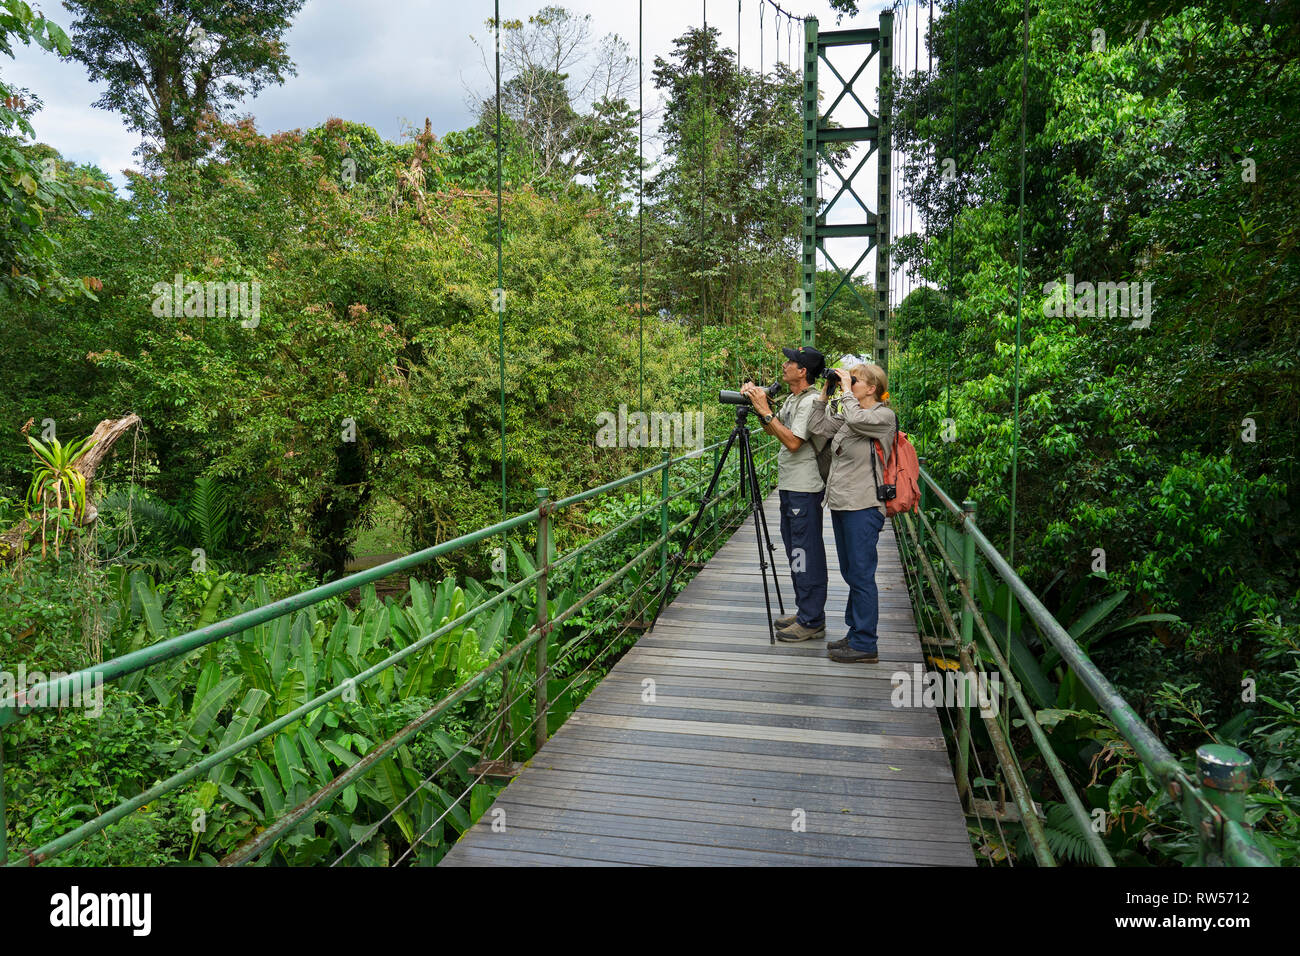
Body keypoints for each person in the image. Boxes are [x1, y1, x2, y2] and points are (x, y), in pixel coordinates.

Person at [806, 357, 897, 663]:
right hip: (843, 503)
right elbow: (816, 427)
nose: (850, 385)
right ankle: (855, 632)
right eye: (849, 381)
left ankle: (865, 643)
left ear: (872, 388)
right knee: (850, 573)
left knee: (861, 574)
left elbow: (858, 421)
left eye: (855, 382)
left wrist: (845, 392)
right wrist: (826, 392)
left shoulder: (883, 416)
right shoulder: (849, 413)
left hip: (865, 505)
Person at [740, 346, 828, 643]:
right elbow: (774, 431)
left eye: (791, 361)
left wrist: (765, 410)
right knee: (795, 552)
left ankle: (812, 619)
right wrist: (758, 406)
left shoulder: (812, 401)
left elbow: (793, 443)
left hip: (804, 488)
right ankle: (806, 611)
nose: (785, 364)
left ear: (803, 371)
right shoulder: (794, 398)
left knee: (805, 552)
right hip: (791, 486)